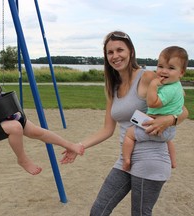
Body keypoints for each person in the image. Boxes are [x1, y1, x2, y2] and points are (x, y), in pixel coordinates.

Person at [60, 31, 188, 215]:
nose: (115, 56)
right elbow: (107, 129)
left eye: (120, 50)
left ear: (131, 52)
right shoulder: (113, 86)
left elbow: (182, 109)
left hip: (150, 159)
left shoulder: (148, 77)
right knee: (98, 211)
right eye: (110, 52)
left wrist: (170, 119)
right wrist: (78, 146)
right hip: (126, 160)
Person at [0, 36, 84, 176]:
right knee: (15, 127)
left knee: (37, 131)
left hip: (0, 116)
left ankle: (70, 145)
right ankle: (22, 159)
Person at [122, 46, 188, 171]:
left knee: (129, 134)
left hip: (158, 126)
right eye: (160, 66)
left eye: (171, 68)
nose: (164, 71)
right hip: (169, 129)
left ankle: (126, 160)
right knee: (168, 141)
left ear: (181, 73)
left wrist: (153, 85)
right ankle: (173, 162)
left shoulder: (169, 89)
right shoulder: (176, 85)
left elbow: (152, 103)